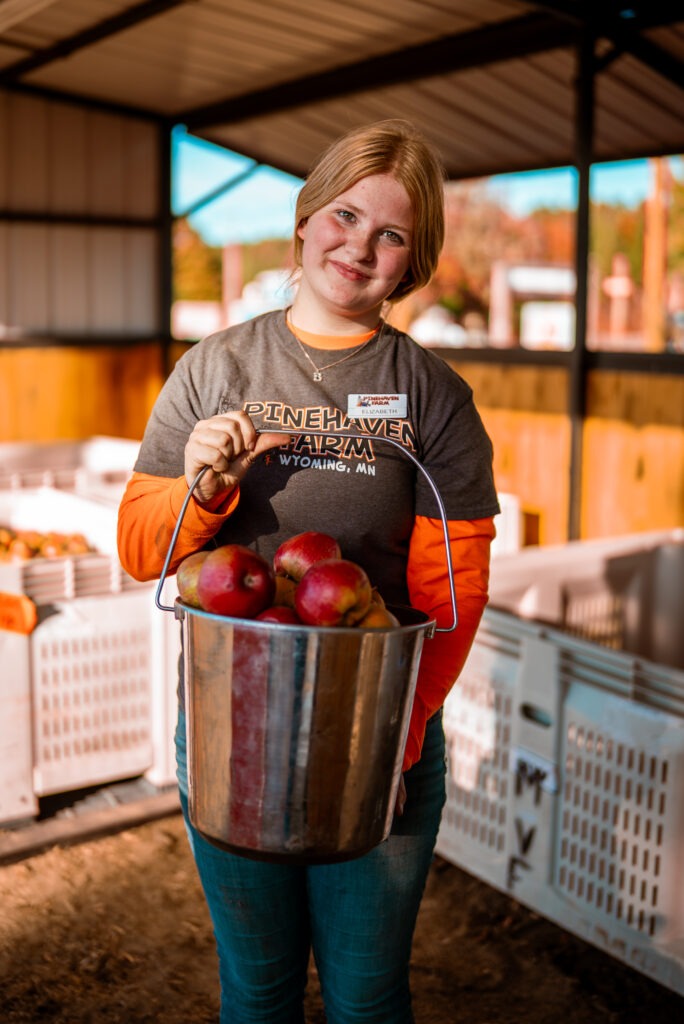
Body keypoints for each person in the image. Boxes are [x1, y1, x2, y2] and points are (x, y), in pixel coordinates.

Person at [117, 118, 499, 1024]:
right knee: (258, 992)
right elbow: (142, 552)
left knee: (367, 998)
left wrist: (400, 743)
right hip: (232, 725)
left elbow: (456, 590)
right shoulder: (216, 368)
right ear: (303, 222)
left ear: (413, 261)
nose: (359, 246)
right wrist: (203, 488)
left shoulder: (431, 394)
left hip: (380, 734)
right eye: (344, 214)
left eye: (392, 233)